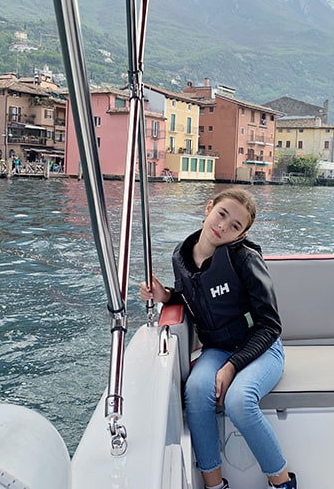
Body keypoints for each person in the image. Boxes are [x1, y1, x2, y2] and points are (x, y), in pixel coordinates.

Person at [139, 188, 297, 489]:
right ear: (209, 207)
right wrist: (165, 296)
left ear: (241, 234)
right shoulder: (182, 256)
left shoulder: (245, 260)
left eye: (235, 225)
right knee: (197, 390)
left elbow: (270, 326)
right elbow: (190, 295)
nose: (223, 226)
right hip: (218, 348)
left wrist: (232, 366)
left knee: (239, 401)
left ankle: (282, 482)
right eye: (222, 214)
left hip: (260, 349)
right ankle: (214, 485)